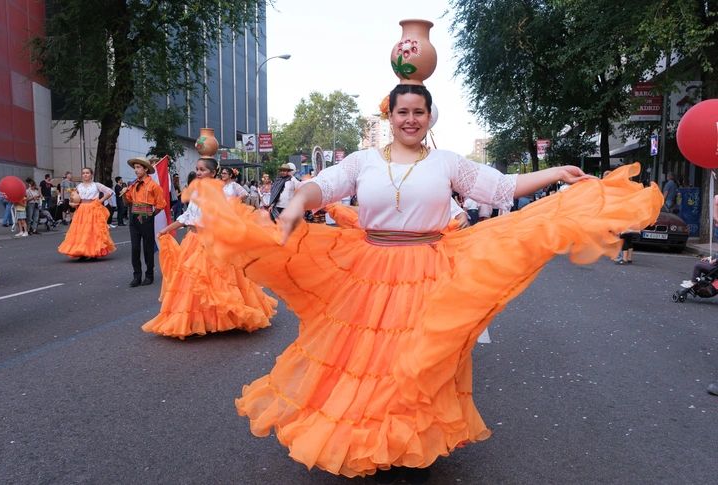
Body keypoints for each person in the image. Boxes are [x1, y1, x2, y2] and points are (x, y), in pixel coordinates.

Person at [190, 83, 663, 484]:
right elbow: (325, 185)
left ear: (428, 117)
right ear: (390, 116)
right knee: (364, 360)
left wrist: (556, 172)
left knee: (414, 364)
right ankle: (367, 440)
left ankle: (408, 445)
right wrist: (297, 204)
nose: (410, 120)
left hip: (429, 270)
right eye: (402, 112)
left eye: (419, 112)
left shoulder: (448, 163)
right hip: (370, 269)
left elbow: (499, 187)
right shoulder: (363, 160)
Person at [141, 157, 276, 339]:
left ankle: (218, 318)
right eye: (197, 169)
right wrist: (166, 229)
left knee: (211, 281)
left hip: (210, 242)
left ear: (213, 173)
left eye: (202, 169)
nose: (198, 172)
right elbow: (188, 215)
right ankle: (197, 321)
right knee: (191, 282)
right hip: (192, 240)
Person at [121, 157, 166, 287]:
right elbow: (127, 203)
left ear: (146, 169)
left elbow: (161, 204)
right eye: (135, 168)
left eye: (138, 167)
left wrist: (151, 215)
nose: (136, 170)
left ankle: (149, 274)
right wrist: (124, 193)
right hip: (134, 217)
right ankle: (137, 276)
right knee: (135, 247)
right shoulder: (133, 185)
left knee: (147, 247)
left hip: (146, 217)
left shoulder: (153, 185)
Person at [57, 167, 116, 260]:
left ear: (91, 174)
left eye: (87, 173)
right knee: (81, 231)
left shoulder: (96, 185)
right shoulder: (79, 186)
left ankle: (93, 252)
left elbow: (110, 191)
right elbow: (74, 197)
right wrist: (72, 201)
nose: (85, 175)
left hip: (93, 209)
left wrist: (100, 201)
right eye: (83, 173)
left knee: (92, 231)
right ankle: (83, 252)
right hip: (81, 210)